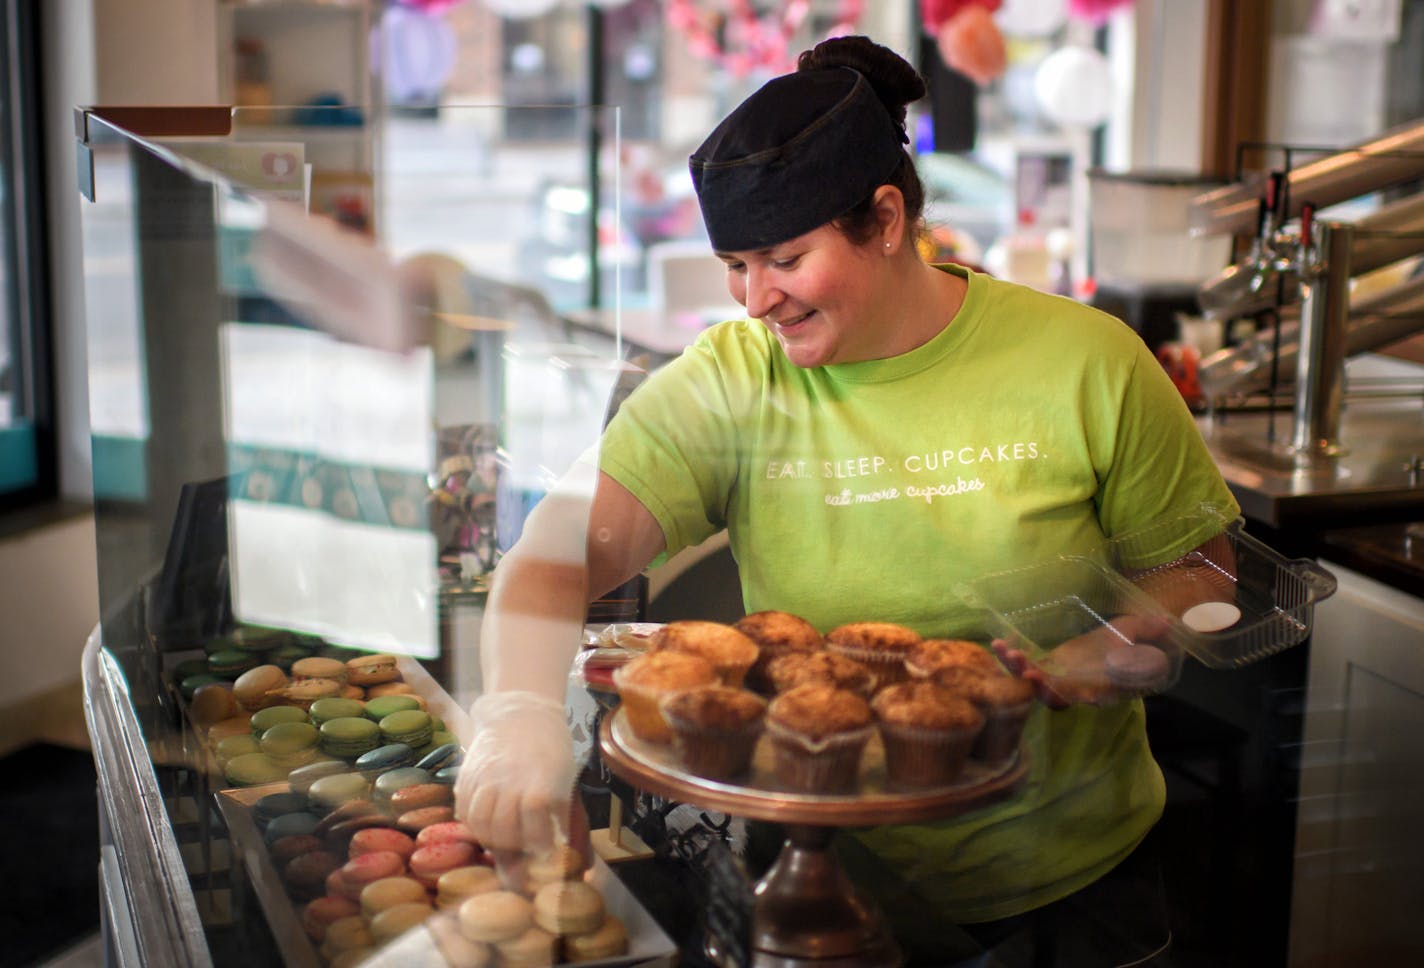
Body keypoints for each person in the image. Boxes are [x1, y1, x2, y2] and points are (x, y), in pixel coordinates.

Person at [456, 34, 1239, 964]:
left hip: (1067, 878)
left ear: (886, 217)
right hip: (816, 871)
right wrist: (517, 712)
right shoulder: (737, 378)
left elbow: (1197, 572)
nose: (755, 300)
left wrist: (1128, 642)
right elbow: (553, 554)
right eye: (737, 266)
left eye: (785, 258)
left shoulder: (1089, 361)